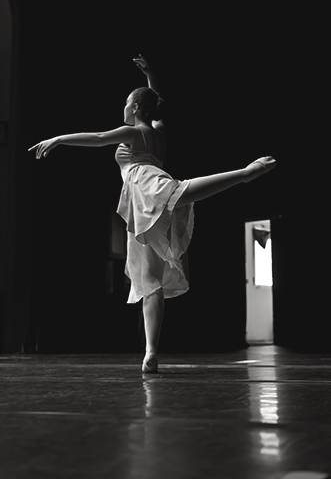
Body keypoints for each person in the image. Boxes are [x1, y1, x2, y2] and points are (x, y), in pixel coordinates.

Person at [29, 55, 276, 373]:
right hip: (142, 211)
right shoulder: (157, 131)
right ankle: (150, 352)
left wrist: (59, 138)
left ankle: (244, 173)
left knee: (180, 193)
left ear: (133, 108)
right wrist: (151, 76)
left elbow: (100, 139)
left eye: (126, 103)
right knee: (150, 281)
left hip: (145, 187)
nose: (124, 107)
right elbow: (160, 106)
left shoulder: (133, 132)